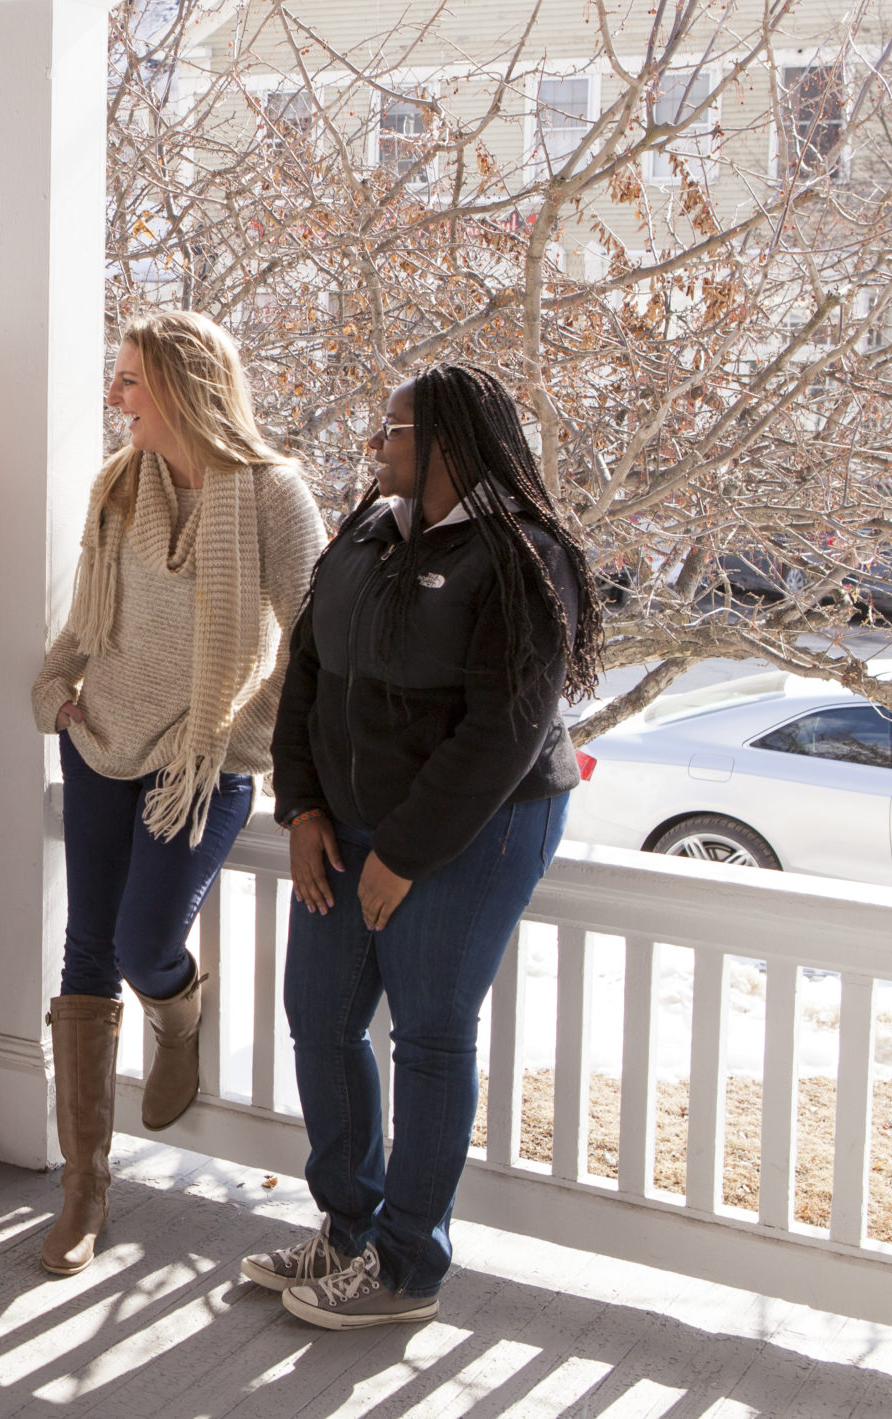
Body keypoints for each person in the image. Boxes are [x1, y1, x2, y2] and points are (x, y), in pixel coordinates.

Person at [247, 362, 601, 1328]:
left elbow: (507, 729)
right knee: (319, 1017)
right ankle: (349, 1229)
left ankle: (407, 1267)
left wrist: (401, 853)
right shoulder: (367, 532)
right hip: (351, 821)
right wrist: (305, 808)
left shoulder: (523, 555)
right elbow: (306, 671)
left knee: (431, 1032)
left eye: (395, 430)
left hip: (476, 826)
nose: (378, 444)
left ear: (448, 441)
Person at [31, 310, 327, 1275]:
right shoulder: (119, 485)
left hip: (205, 755)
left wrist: (247, 726)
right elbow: (91, 611)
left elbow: (314, 638)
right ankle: (85, 1191)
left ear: (182, 386)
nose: (116, 398)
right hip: (103, 736)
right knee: (86, 944)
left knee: (141, 941)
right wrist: (57, 680)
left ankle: (178, 1005)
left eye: (130, 382)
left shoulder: (274, 495)